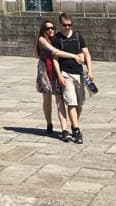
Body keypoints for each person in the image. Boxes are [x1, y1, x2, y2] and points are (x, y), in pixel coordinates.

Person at [35, 18, 84, 141]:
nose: (51, 30)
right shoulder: (42, 40)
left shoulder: (57, 38)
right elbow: (55, 52)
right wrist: (74, 56)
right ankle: (49, 124)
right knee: (47, 98)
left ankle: (65, 128)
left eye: (53, 28)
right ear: (43, 30)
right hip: (46, 71)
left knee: (59, 99)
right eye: (48, 28)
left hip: (57, 70)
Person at [51, 12, 94, 144]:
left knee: (80, 103)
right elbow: (55, 58)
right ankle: (76, 130)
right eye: (65, 25)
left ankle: (74, 123)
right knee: (71, 102)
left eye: (69, 25)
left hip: (79, 73)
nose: (67, 28)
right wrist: (59, 75)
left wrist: (90, 71)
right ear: (61, 25)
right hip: (66, 74)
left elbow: (87, 54)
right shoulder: (57, 39)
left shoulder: (78, 36)